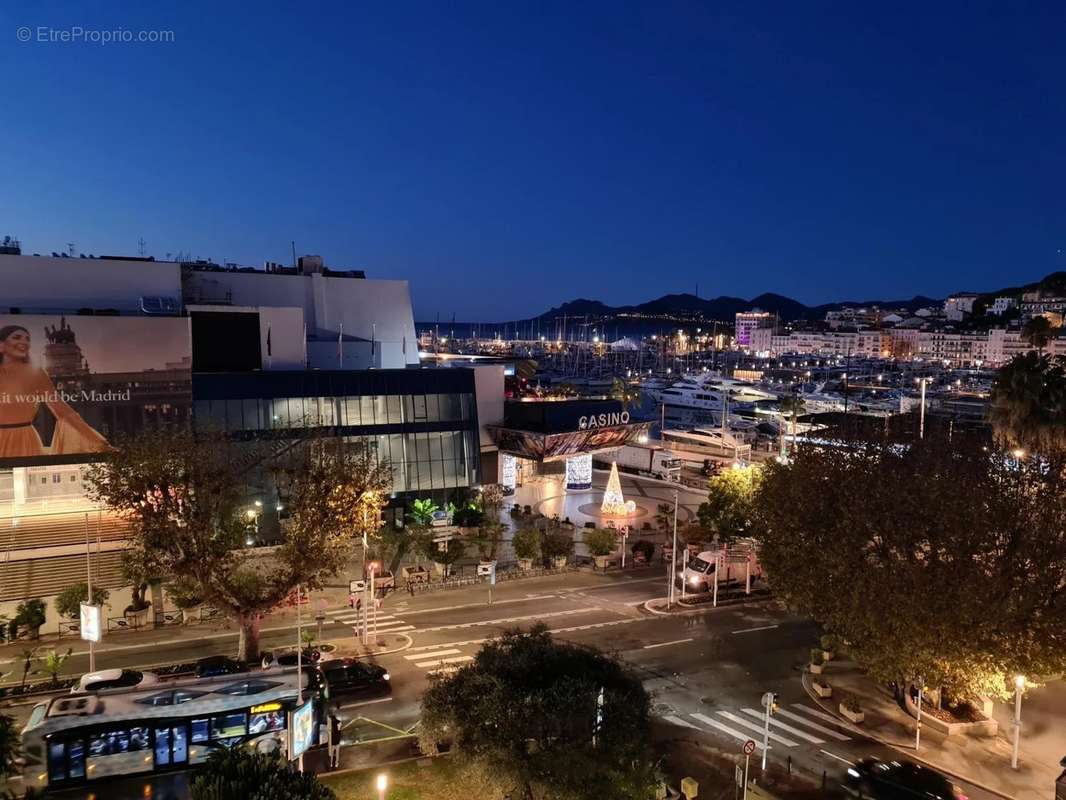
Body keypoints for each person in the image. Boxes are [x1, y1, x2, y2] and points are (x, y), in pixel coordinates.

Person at [0, 325, 109, 458]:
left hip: (25, 441)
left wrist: (97, 441)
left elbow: (64, 412)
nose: (24, 342)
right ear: (1, 345)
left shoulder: (36, 373)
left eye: (27, 339)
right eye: (17, 337)